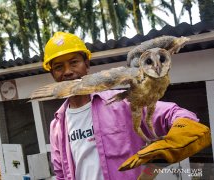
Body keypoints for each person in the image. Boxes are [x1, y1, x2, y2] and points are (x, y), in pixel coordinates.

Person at [43, 32, 205, 180]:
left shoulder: (121, 103)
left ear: (86, 64)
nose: (68, 72)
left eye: (74, 62)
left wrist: (183, 128)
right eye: (58, 67)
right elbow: (61, 174)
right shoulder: (57, 125)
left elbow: (172, 113)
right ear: (52, 74)